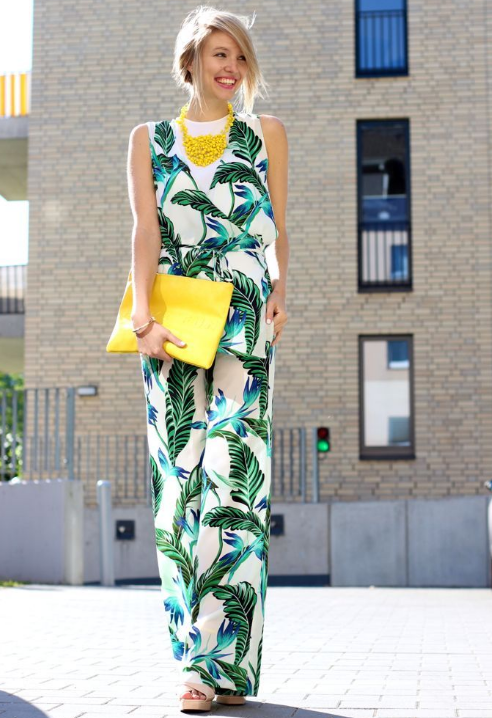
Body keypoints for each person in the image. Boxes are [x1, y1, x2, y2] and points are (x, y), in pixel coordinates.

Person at [126, 5, 289, 712]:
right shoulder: (149, 139)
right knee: (180, 490)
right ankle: (196, 658)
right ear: (190, 60)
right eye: (220, 54)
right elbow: (145, 232)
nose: (232, 68)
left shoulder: (265, 133)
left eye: (241, 57)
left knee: (235, 487)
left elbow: (278, 227)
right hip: (173, 325)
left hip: (245, 317)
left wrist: (281, 291)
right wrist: (142, 317)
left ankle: (218, 667)